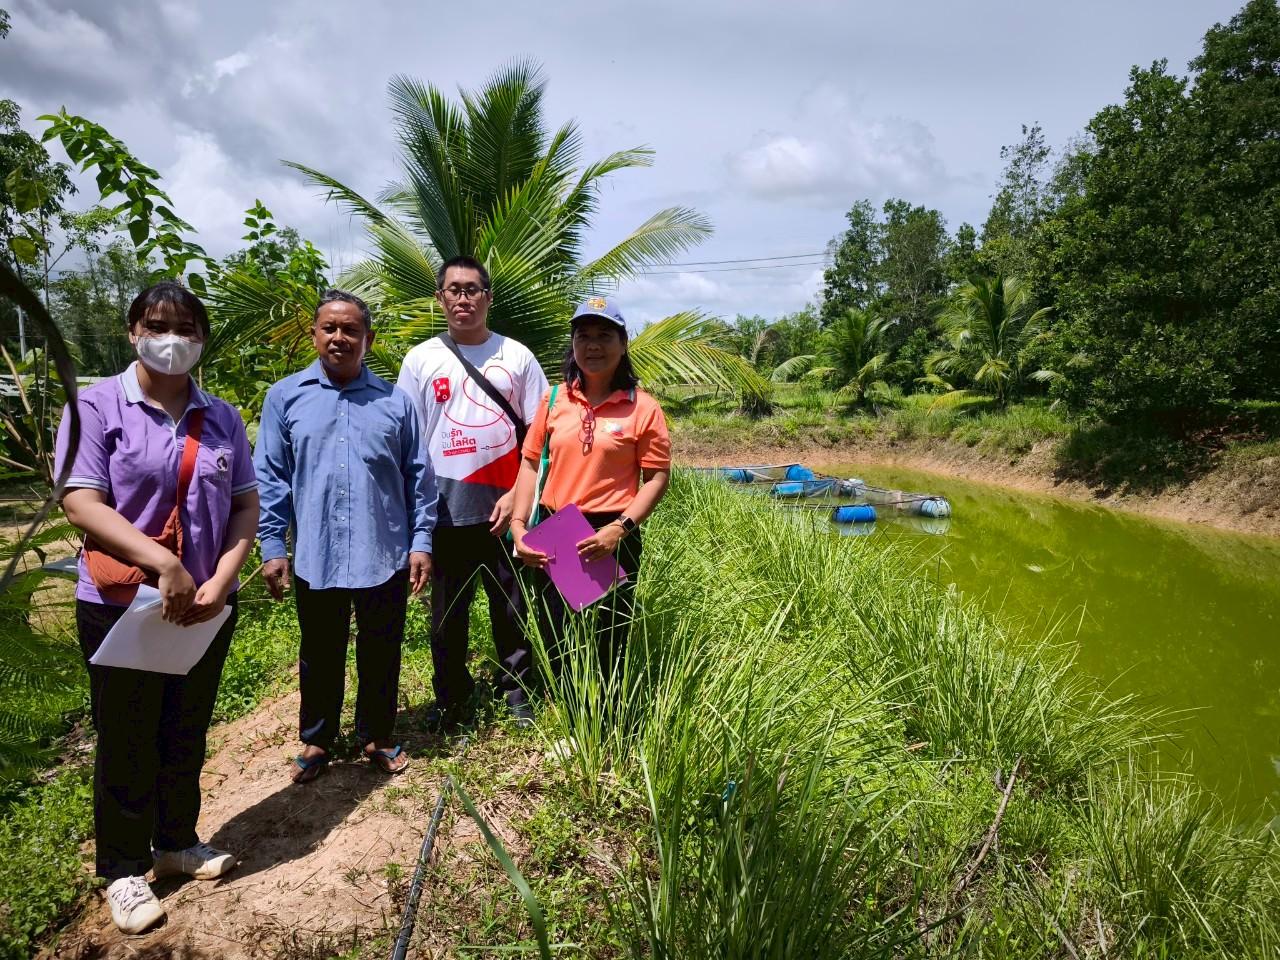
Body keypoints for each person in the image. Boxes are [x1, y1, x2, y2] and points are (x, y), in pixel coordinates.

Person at [54, 282, 258, 934]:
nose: (171, 337)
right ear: (133, 329)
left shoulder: (222, 417)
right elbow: (81, 501)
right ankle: (121, 868)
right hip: (123, 604)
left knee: (185, 728)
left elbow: (245, 506)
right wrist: (162, 563)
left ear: (201, 338)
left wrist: (224, 576)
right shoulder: (95, 406)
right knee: (125, 737)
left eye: (184, 326)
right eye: (157, 323)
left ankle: (176, 841)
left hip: (202, 607)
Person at [255, 290, 436, 783]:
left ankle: (376, 734)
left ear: (368, 340)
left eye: (350, 329)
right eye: (330, 328)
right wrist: (272, 547)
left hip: (385, 551)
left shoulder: (396, 403)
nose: (340, 337)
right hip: (317, 551)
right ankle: (317, 739)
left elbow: (419, 478)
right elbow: (271, 478)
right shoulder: (284, 398)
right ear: (315, 335)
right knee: (320, 649)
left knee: (382, 647)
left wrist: (422, 542)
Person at [396, 256, 548, 729]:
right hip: (444, 511)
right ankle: (451, 699)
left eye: (472, 289)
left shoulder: (517, 356)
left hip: (508, 511)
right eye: (453, 289)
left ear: (488, 297)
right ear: (440, 298)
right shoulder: (420, 359)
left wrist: (518, 499)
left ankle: (518, 694)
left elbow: (542, 435)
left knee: (514, 610)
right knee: (446, 617)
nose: (463, 298)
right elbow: (407, 440)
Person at [511, 296, 671, 682]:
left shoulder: (642, 408)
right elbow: (530, 463)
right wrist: (518, 525)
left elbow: (658, 478)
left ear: (623, 343)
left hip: (612, 532)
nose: (593, 345)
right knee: (556, 636)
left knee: (609, 637)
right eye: (583, 336)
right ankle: (568, 719)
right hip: (558, 529)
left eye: (604, 336)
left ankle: (610, 719)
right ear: (574, 344)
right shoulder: (553, 399)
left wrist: (621, 528)